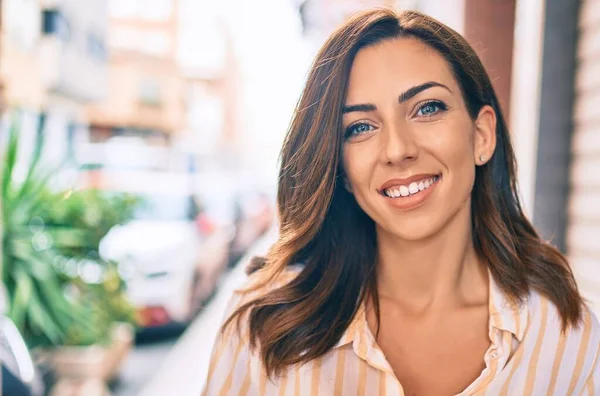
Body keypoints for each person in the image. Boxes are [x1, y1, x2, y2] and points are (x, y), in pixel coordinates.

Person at [202, 8, 600, 396]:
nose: (397, 150)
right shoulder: (263, 323)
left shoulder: (566, 337)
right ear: (338, 165)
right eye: (360, 127)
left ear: (481, 136)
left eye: (427, 108)